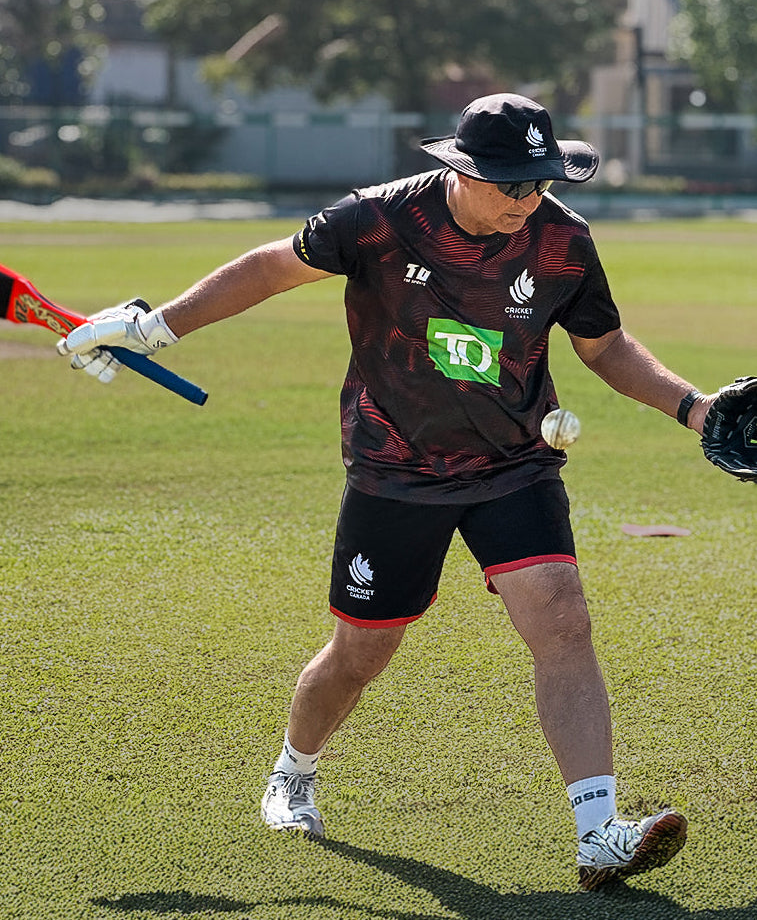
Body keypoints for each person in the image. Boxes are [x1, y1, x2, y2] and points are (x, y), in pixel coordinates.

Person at [58, 94, 710, 891]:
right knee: (361, 652)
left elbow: (602, 345)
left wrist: (692, 408)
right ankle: (294, 772)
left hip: (513, 465)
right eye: (510, 184)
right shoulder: (374, 221)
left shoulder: (562, 241)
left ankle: (596, 832)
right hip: (394, 468)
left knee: (562, 618)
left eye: (538, 181)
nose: (527, 199)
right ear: (459, 171)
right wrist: (155, 328)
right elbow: (268, 269)